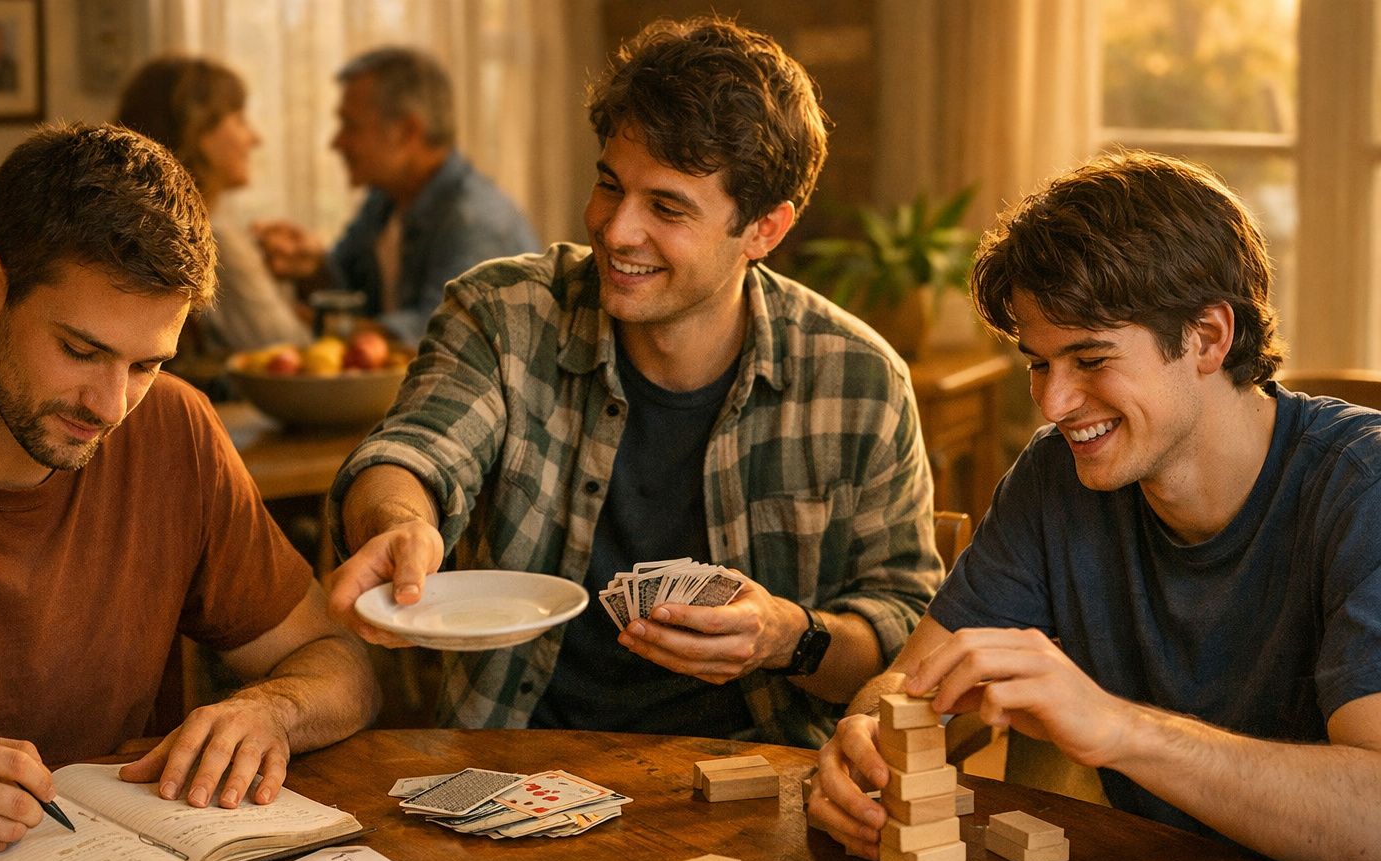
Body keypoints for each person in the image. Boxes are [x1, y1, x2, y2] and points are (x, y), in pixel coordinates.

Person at [324, 16, 941, 746]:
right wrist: (401, 525)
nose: (616, 230)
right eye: (610, 185)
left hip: (756, 781)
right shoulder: (504, 312)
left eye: (668, 207)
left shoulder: (859, 380)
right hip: (516, 756)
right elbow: (415, 452)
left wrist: (786, 636)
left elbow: (902, 630)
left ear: (765, 230)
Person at [809, 151, 1381, 861]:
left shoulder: (1363, 489)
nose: (1052, 404)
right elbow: (912, 687)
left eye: (1089, 359)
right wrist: (865, 746)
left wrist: (1118, 728)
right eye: (1039, 363)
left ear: (1209, 337)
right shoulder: (1056, 480)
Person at [0, 123, 381, 861]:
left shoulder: (174, 430)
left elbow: (339, 658)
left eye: (147, 364)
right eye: (80, 351)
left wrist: (269, 711)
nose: (109, 406)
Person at [254, 46, 540, 348]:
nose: (336, 143)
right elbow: (349, 291)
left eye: (350, 125)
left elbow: (442, 337)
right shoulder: (385, 199)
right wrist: (312, 268)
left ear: (407, 131)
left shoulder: (473, 219)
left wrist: (332, 327)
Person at [116, 56, 306, 358]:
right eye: (240, 120)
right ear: (200, 131)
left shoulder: (130, 227)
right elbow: (290, 350)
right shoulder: (210, 239)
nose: (254, 139)